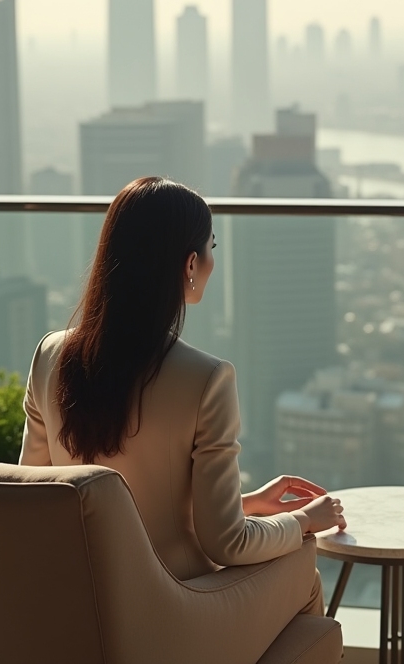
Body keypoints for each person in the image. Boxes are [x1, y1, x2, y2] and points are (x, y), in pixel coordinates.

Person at [19, 176, 345, 614]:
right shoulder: (207, 378)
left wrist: (245, 504)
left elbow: (40, 498)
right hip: (178, 609)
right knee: (306, 575)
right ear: (190, 264)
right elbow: (227, 543)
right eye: (211, 248)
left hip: (83, 603)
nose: (212, 261)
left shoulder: (50, 356)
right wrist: (305, 520)